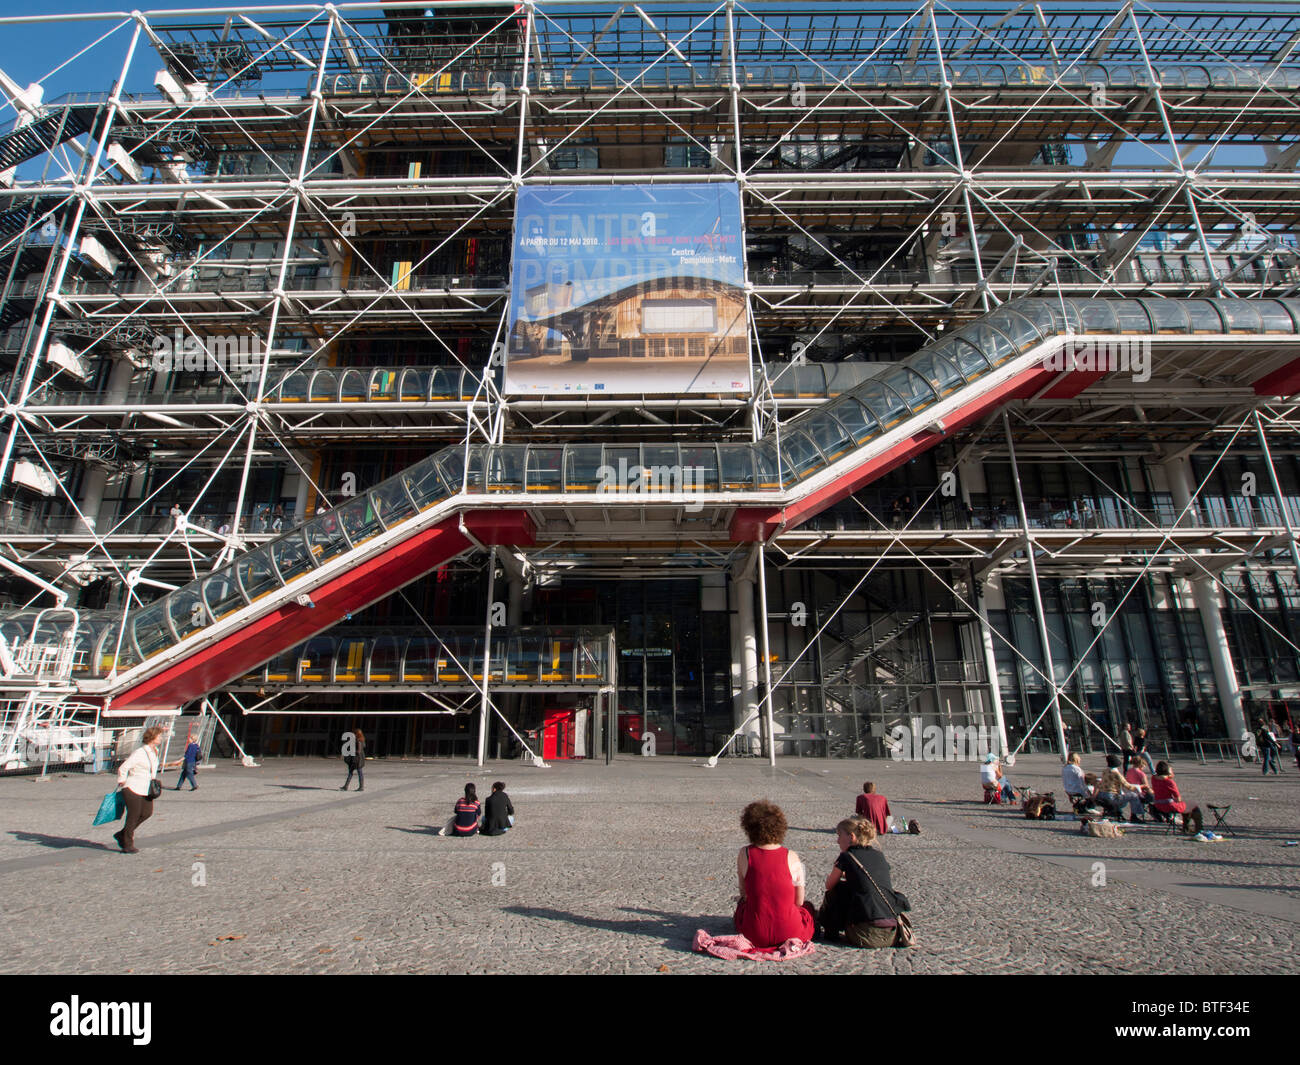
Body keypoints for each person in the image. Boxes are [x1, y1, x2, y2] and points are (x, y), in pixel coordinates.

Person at [818, 816, 910, 948]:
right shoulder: (879, 855)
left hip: (864, 935)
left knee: (837, 890)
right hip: (891, 934)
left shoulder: (847, 856)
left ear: (851, 837)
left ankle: (831, 931)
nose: (837, 841)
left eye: (840, 836)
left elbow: (829, 885)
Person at [733, 800, 815, 948]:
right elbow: (799, 901)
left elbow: (744, 892)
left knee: (741, 908)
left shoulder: (744, 854)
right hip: (790, 931)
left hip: (754, 932)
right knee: (808, 909)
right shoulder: (793, 856)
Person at [114, 725, 165, 854]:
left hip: (146, 787)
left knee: (147, 812)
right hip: (133, 786)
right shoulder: (140, 752)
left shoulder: (155, 751)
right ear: (152, 737)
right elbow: (124, 767)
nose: (161, 738)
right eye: (159, 736)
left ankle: (122, 834)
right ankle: (127, 844)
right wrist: (122, 780)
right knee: (133, 815)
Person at [1151, 761, 1202, 834]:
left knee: (1186, 806)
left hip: (1158, 805)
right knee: (1193, 806)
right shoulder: (1169, 782)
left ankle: (1187, 827)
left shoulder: (1154, 779)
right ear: (1167, 771)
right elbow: (1178, 798)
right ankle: (1197, 828)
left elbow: (1159, 776)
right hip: (1169, 806)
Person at [1096, 754, 1144, 822]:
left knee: (1122, 796)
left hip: (1101, 795)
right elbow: (1127, 785)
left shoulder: (1105, 771)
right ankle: (1134, 815)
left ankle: (1116, 812)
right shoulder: (1116, 773)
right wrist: (1140, 787)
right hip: (1111, 797)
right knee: (1133, 796)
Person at [339, 727, 366, 792]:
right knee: (359, 773)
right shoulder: (362, 740)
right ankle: (359, 786)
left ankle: (347, 786)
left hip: (356, 759)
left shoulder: (358, 741)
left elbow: (358, 751)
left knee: (352, 772)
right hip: (360, 758)